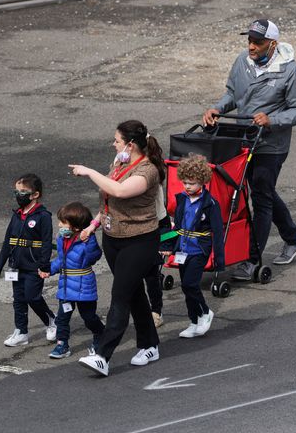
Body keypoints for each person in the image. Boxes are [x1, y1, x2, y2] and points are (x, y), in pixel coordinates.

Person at [203, 18, 296, 280]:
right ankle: (293, 238)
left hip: (271, 144)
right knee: (263, 191)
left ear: (272, 44)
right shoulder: (242, 61)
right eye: (249, 40)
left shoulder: (291, 71)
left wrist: (273, 120)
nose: (251, 46)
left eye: (257, 42)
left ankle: (251, 258)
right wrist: (218, 108)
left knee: (261, 196)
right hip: (244, 140)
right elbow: (232, 94)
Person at [69, 119, 165, 377]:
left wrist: (90, 172)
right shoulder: (120, 163)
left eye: (117, 140)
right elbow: (109, 200)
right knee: (133, 293)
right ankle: (149, 344)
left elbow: (120, 191)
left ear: (131, 144)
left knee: (120, 295)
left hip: (140, 241)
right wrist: (94, 224)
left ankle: (102, 354)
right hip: (113, 238)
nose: (113, 144)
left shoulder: (148, 171)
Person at [0, 173, 57, 347]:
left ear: (35, 195)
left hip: (34, 266)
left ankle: (51, 321)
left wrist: (44, 265)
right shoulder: (17, 215)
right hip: (16, 265)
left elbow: (47, 242)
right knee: (18, 299)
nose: (19, 195)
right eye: (17, 191)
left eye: (24, 191)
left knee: (32, 297)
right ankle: (21, 332)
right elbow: (7, 242)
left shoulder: (43, 216)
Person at [38, 202, 105, 359]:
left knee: (89, 317)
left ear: (76, 227)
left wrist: (89, 239)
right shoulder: (62, 239)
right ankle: (62, 344)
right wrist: (49, 269)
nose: (60, 225)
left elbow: (94, 256)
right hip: (66, 286)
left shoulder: (86, 241)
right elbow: (62, 261)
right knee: (62, 317)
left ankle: (100, 333)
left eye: (63, 222)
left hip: (84, 285)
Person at [172, 154, 225, 338]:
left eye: (192, 183)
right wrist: (167, 245)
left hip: (199, 250)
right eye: (185, 182)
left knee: (190, 284)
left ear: (202, 182)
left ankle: (205, 312)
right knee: (186, 288)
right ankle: (193, 321)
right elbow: (177, 227)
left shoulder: (210, 204)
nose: (187, 186)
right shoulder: (181, 199)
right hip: (183, 250)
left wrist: (219, 259)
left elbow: (218, 232)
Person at [144, 179, 172, 328]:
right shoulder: (121, 161)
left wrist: (165, 243)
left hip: (154, 224)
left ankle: (156, 311)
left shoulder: (151, 172)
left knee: (151, 277)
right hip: (131, 227)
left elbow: (162, 217)